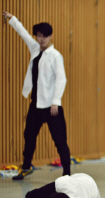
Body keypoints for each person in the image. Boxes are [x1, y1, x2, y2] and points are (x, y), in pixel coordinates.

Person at [2, 11, 71, 179]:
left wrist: (56, 102)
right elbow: (24, 34)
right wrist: (13, 20)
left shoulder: (56, 56)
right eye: (39, 36)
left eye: (45, 36)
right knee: (29, 136)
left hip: (52, 106)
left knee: (60, 140)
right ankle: (26, 167)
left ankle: (67, 173)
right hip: (36, 104)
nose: (42, 39)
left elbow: (62, 79)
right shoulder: (35, 49)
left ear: (51, 36)